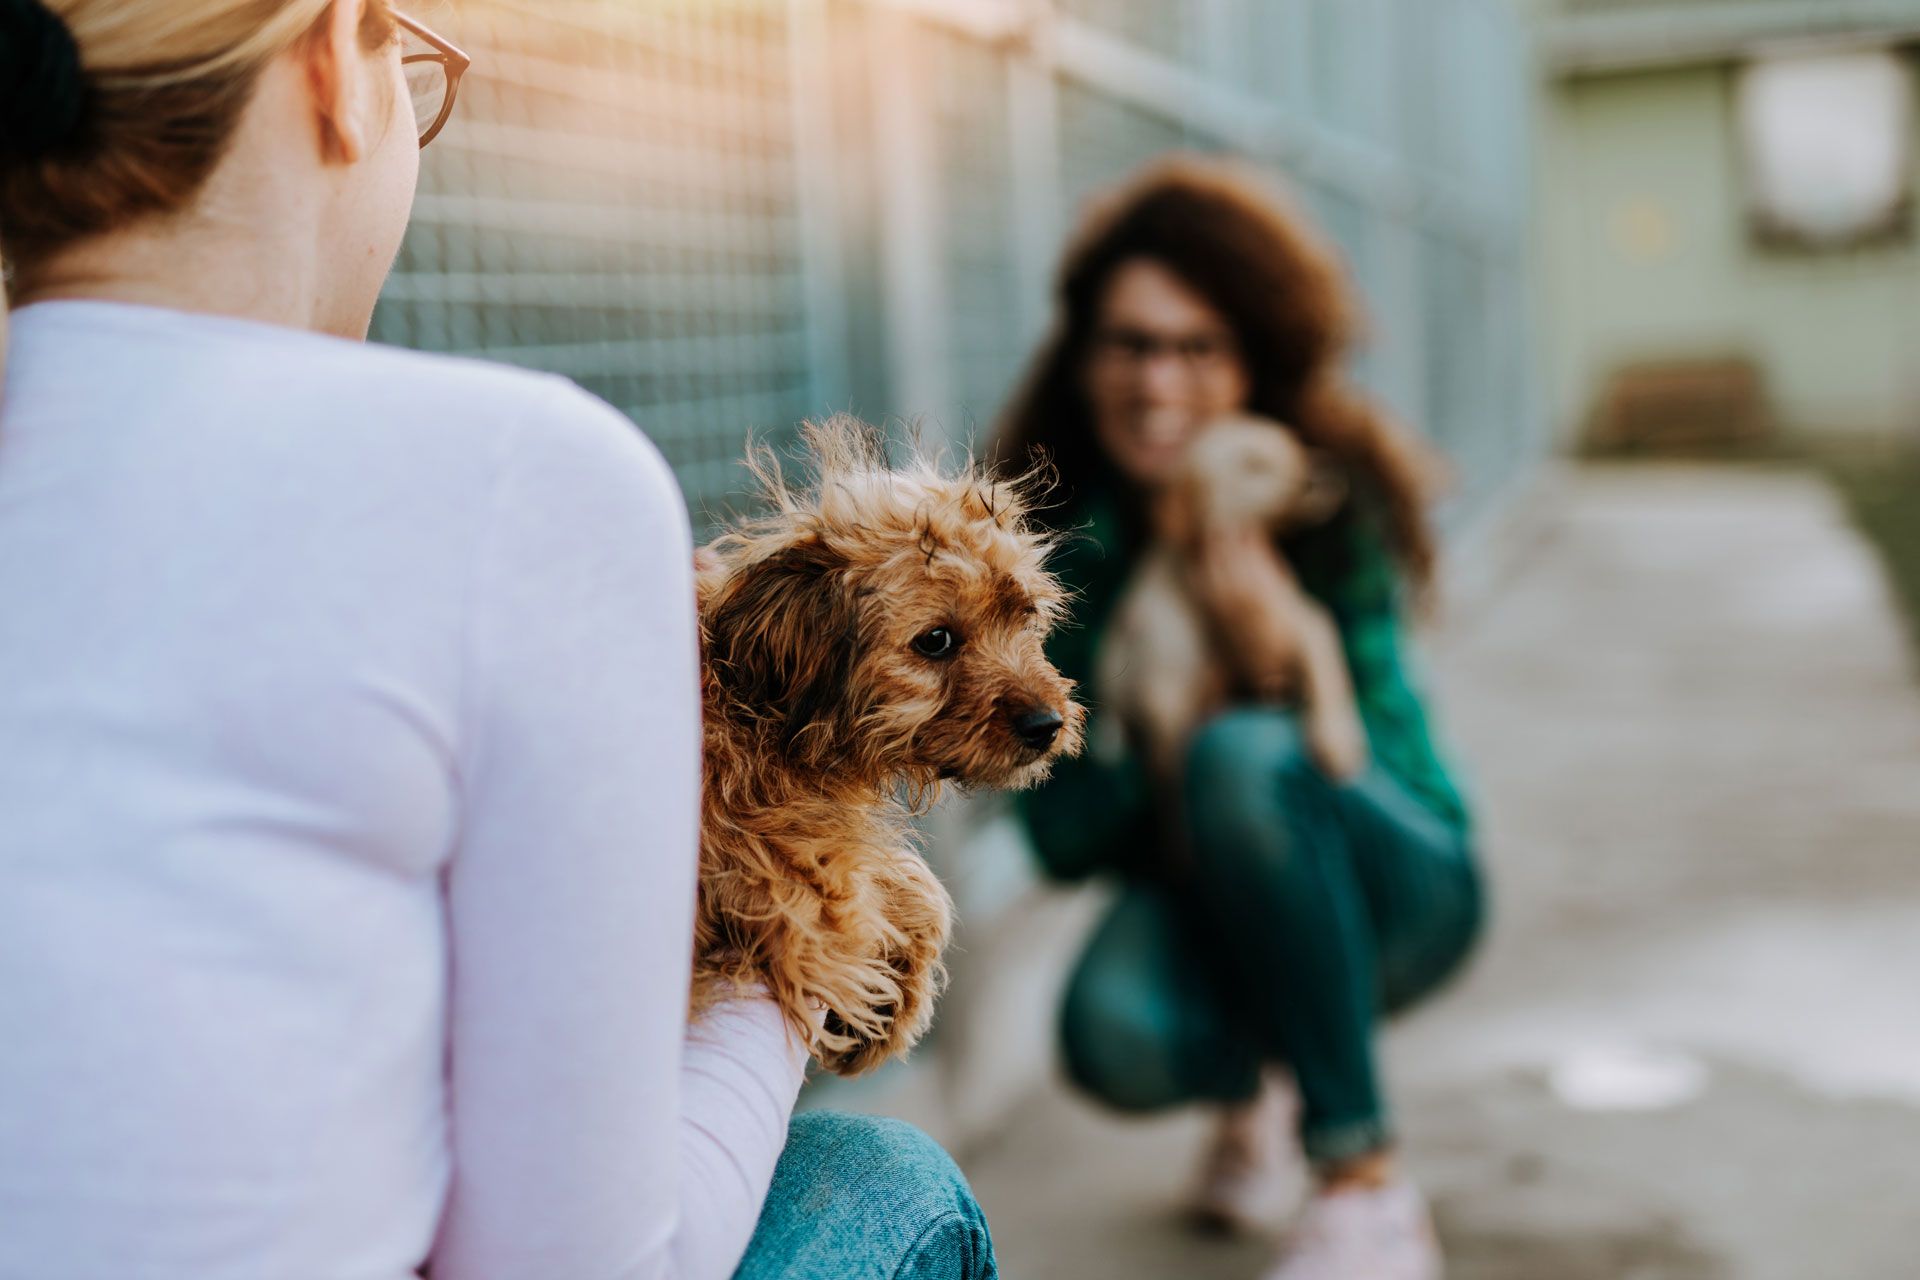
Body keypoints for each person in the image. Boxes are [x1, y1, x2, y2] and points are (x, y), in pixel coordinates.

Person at [0, 2, 993, 1277]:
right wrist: (797, 917)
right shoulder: (520, 477)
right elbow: (591, 1262)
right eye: (421, 74)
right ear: (341, 60)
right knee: (884, 1177)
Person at [998, 157, 1484, 1280]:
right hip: (1205, 890)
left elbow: (1385, 759)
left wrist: (1271, 668)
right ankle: (1270, 1078)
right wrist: (1171, 764)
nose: (1159, 381)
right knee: (1111, 1033)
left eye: (1197, 347)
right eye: (1130, 343)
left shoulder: (1313, 500)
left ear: (1252, 361)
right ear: (1083, 355)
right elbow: (1060, 834)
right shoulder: (1053, 548)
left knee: (1252, 754)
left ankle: (1367, 1186)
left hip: (1406, 881)